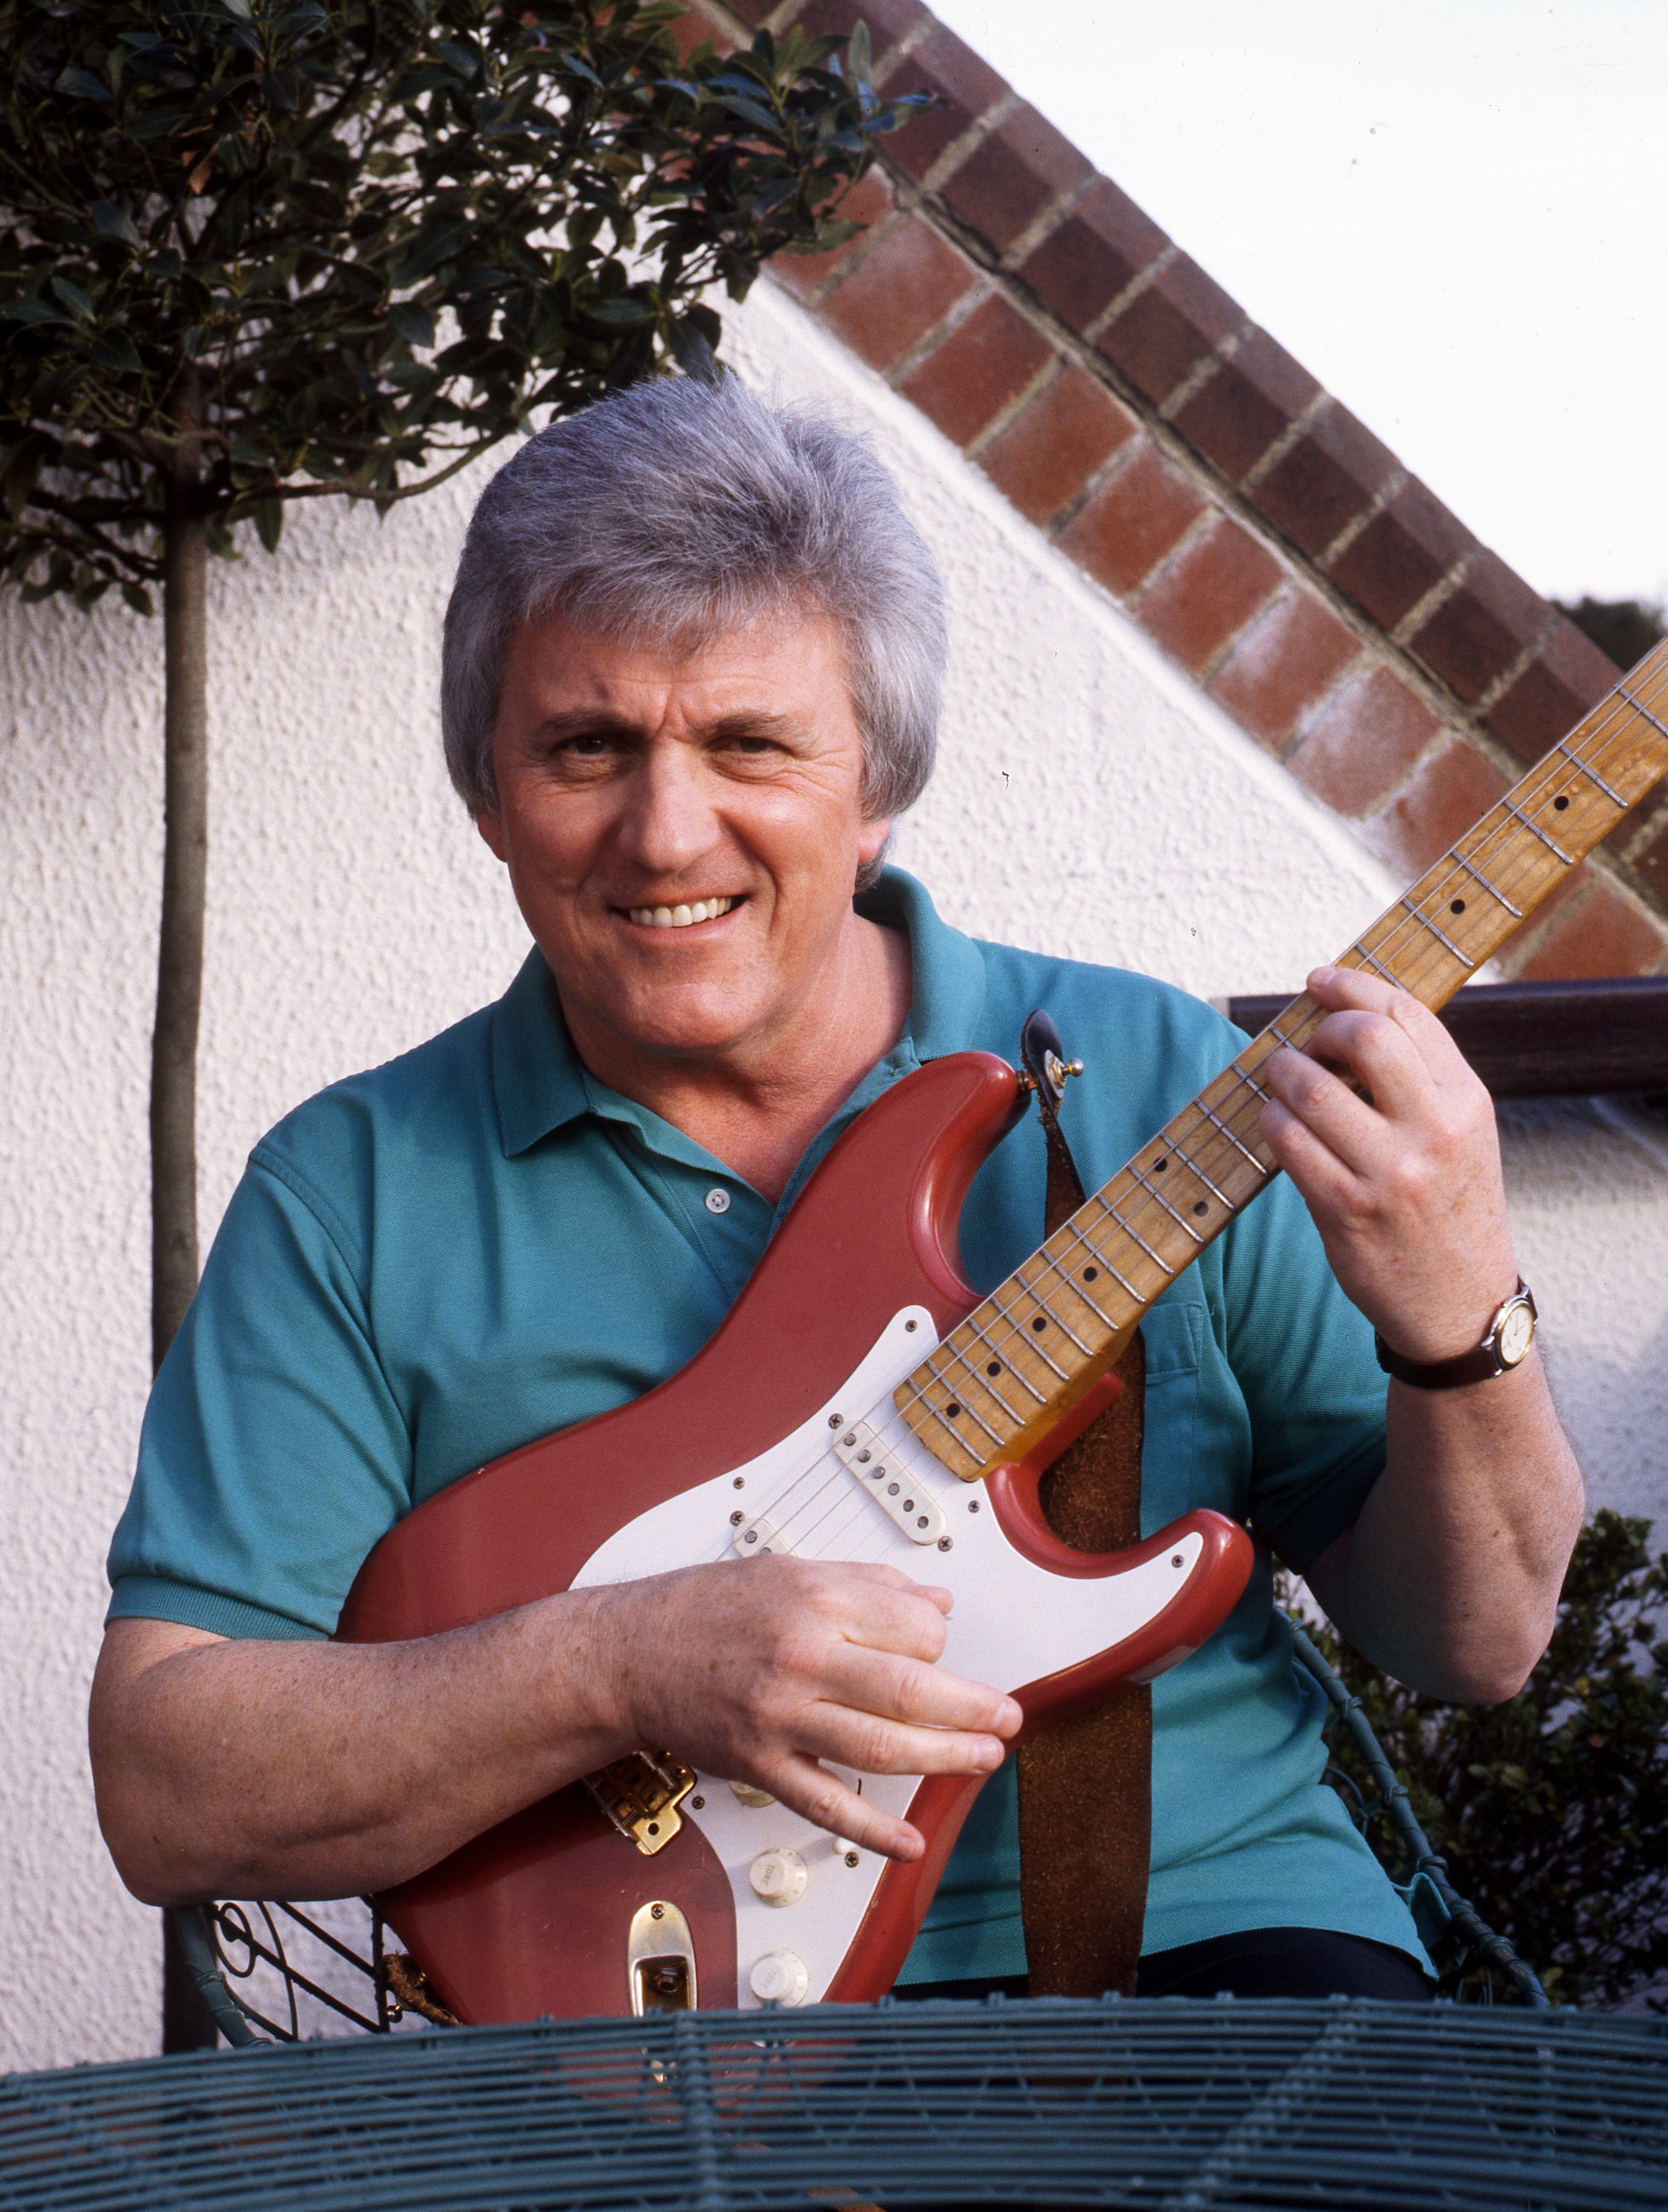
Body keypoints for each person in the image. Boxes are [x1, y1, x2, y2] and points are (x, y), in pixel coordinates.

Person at [90, 374, 1583, 2004]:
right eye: (588, 747)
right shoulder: (354, 1193)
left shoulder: (1157, 1081)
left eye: (751, 745)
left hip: (1220, 1947)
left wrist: (1460, 1323)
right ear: (488, 798)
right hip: (657, 2037)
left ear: (875, 792)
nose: (667, 835)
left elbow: (1477, 1647)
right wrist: (624, 1662)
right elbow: (169, 1785)